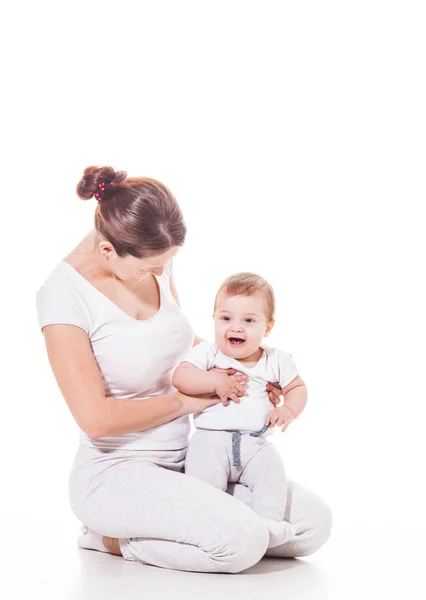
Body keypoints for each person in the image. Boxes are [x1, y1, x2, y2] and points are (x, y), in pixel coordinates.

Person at [36, 165, 332, 574]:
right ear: (108, 251)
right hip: (115, 474)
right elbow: (96, 419)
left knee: (310, 525)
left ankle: (185, 524)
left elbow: (177, 345)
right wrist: (185, 401)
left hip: (192, 459)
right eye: (150, 268)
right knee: (243, 541)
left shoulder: (152, 257)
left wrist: (246, 370)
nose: (159, 274)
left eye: (166, 264)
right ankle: (109, 538)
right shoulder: (62, 297)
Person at [172, 272, 306, 549]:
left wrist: (290, 410)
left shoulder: (275, 360)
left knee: (272, 475)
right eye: (226, 318)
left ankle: (269, 521)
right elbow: (181, 377)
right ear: (213, 319)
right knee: (202, 486)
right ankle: (202, 528)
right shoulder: (208, 353)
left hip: (255, 442)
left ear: (267, 328)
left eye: (249, 320)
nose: (236, 327)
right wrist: (213, 380)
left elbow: (297, 388)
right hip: (210, 440)